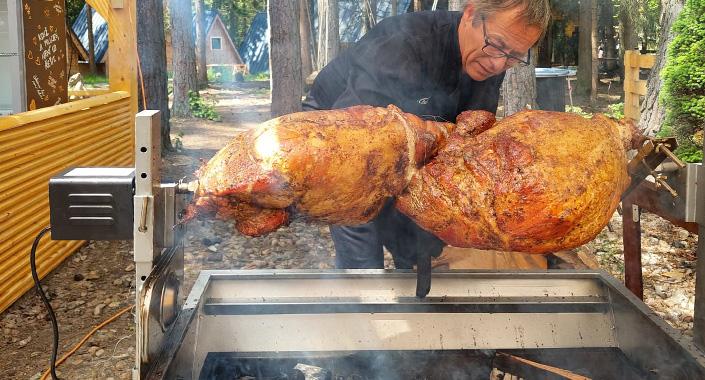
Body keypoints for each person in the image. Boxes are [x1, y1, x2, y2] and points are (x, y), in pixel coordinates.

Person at [303, 0, 550, 272]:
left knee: (416, 247)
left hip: (413, 142)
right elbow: (352, 154)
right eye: (498, 45)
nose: (498, 63)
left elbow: (465, 143)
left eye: (514, 56)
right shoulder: (403, 45)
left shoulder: (491, 59)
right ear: (470, 14)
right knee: (362, 254)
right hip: (339, 135)